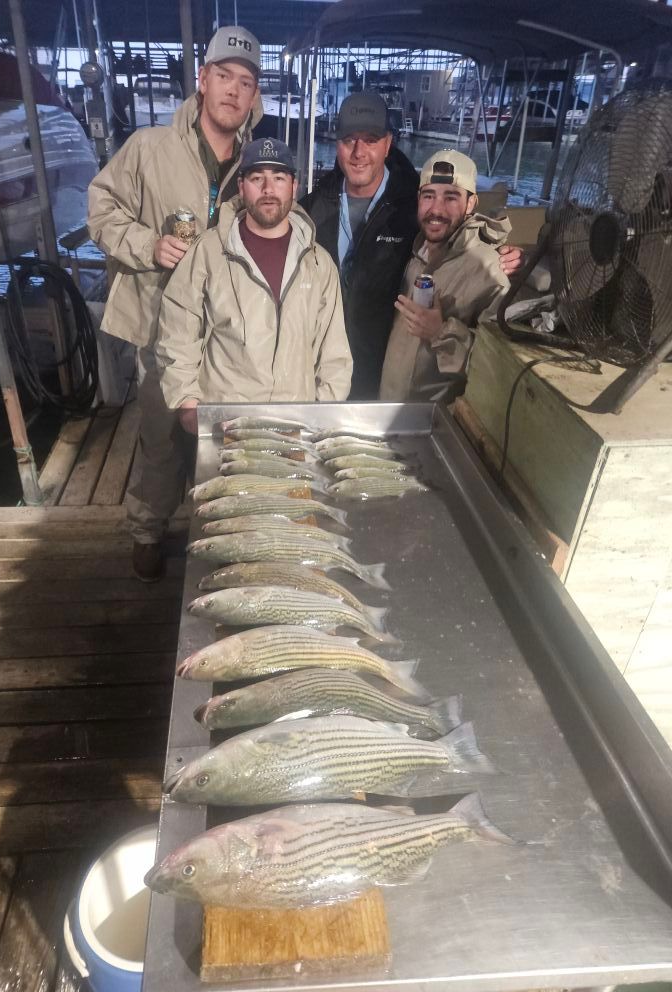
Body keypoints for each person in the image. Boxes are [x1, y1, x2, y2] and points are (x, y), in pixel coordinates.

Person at [87, 26, 262, 582]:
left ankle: (217, 531)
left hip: (226, 333)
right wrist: (146, 244)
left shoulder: (257, 163)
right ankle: (148, 527)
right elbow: (100, 206)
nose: (234, 91)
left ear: (254, 97)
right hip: (161, 326)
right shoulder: (149, 147)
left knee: (223, 437)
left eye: (247, 83)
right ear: (202, 80)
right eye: (225, 77)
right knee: (159, 435)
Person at [299, 93, 522, 400]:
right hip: (320, 375)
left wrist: (502, 252)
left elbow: (460, 235)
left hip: (380, 382)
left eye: (371, 139)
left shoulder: (412, 210)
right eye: (349, 139)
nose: (358, 152)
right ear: (336, 144)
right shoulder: (310, 209)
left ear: (388, 144)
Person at [155, 137, 352, 420]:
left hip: (296, 422)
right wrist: (187, 403)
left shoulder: (319, 263)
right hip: (227, 420)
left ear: (294, 187)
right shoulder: (209, 252)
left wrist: (322, 416)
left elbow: (334, 354)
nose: (268, 189)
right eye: (256, 177)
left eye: (279, 178)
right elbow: (177, 332)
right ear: (241, 187)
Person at [379, 149, 511, 401]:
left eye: (451, 197)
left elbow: (497, 369)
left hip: (436, 425)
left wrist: (440, 332)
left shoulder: (490, 270)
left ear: (471, 203)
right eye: (429, 196)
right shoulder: (414, 249)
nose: (436, 209)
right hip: (388, 413)